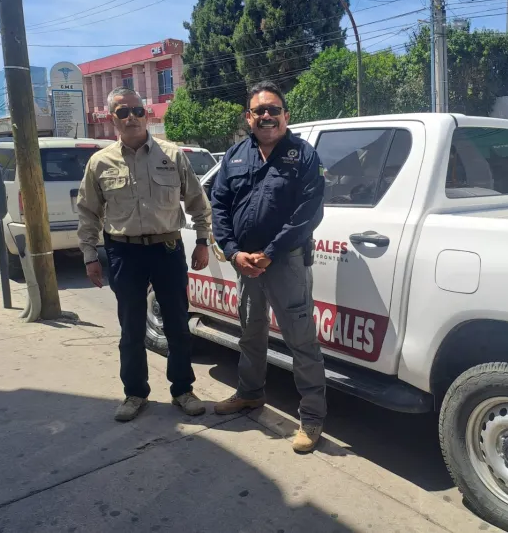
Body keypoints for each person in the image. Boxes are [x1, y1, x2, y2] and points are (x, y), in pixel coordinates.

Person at [77, 87, 212, 422]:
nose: (132, 117)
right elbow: (88, 212)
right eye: (123, 112)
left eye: (137, 110)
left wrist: (203, 241)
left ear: (147, 114)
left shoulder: (172, 154)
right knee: (132, 328)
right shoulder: (100, 162)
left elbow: (197, 202)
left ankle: (183, 389)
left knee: (178, 325)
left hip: (167, 248)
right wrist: (90, 256)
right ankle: (135, 393)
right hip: (124, 252)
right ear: (113, 118)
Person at [210, 81, 326, 453]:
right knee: (251, 332)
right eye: (259, 111)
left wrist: (271, 252)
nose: (266, 116)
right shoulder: (235, 156)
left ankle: (311, 418)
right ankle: (249, 393)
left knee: (301, 340)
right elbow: (220, 205)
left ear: (286, 116)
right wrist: (232, 251)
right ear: (249, 117)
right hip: (246, 263)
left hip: (285, 262)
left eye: (273, 110)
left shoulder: (303, 156)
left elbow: (308, 212)